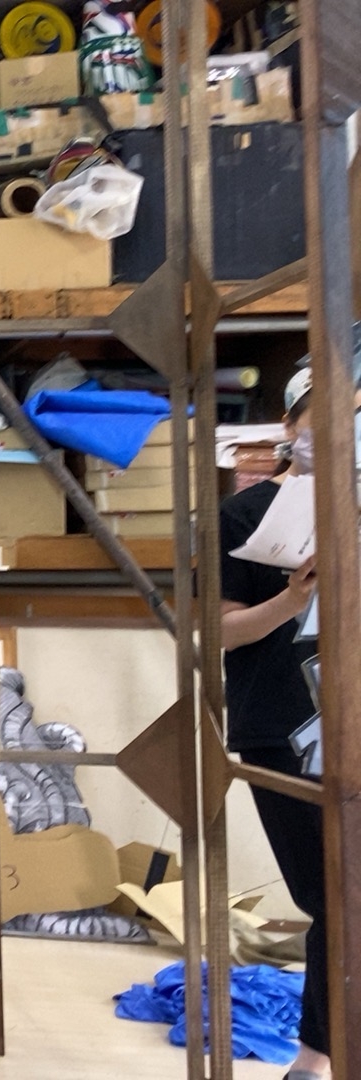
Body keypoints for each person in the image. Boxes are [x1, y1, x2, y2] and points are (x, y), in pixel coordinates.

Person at [222, 365, 355, 1080]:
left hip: (353, 722)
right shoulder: (244, 515)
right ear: (291, 423)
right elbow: (216, 632)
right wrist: (291, 599)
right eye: (324, 414)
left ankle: (320, 1055)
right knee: (333, 894)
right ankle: (315, 1057)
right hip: (281, 727)